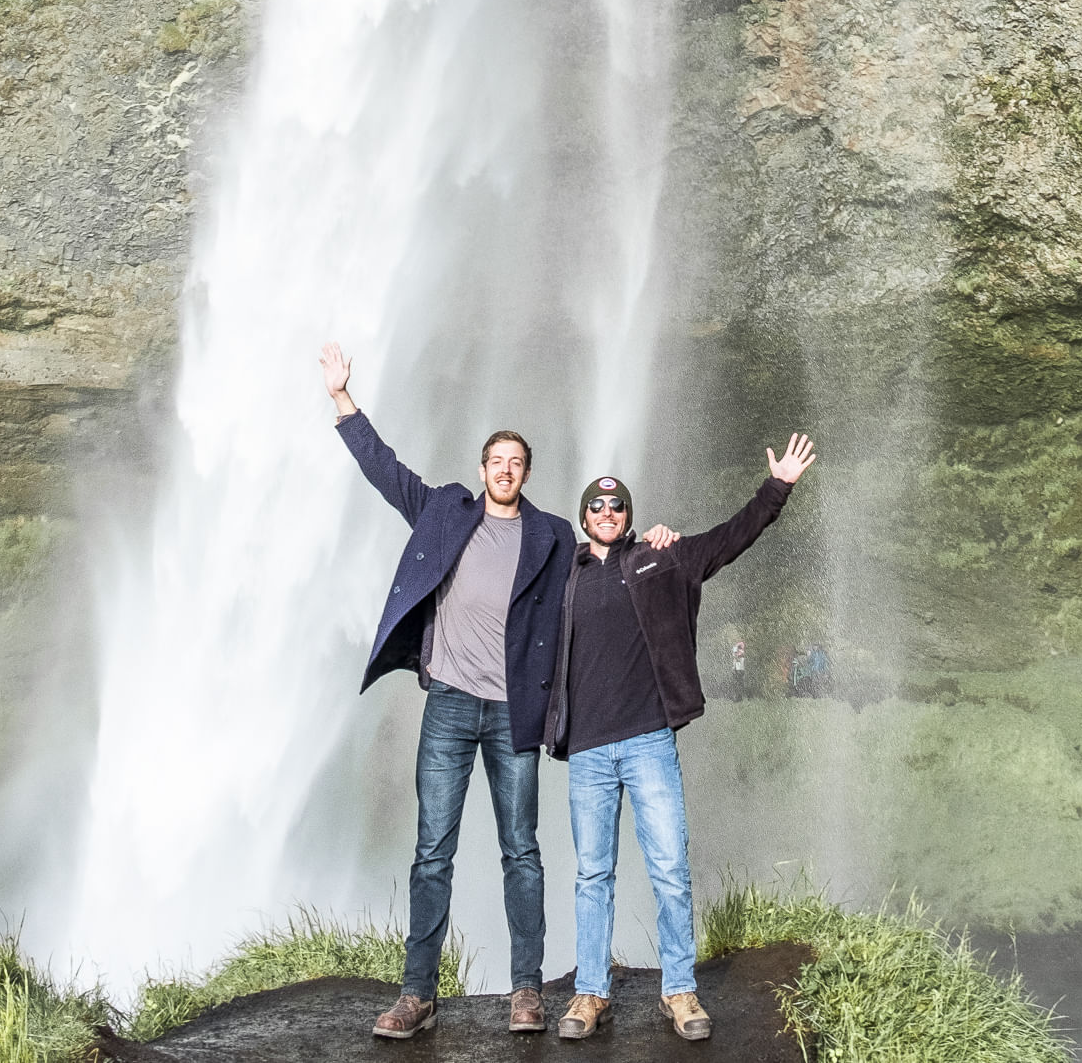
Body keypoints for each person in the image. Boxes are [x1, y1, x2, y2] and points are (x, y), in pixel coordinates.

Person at [320, 342, 572, 1039]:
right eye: (496, 460)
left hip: (514, 712)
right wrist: (342, 399)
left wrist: (655, 542)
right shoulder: (444, 512)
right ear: (482, 469)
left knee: (521, 851)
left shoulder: (553, 536)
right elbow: (386, 471)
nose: (505, 470)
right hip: (451, 705)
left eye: (516, 462)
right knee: (432, 851)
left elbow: (601, 574)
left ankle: (527, 991)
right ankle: (417, 995)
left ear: (527, 473)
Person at [544, 433, 816, 1043]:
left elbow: (728, 539)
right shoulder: (564, 575)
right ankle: (591, 991)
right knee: (592, 874)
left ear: (629, 516)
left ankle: (679, 988)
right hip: (587, 749)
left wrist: (777, 488)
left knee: (669, 867)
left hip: (648, 742)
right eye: (596, 506)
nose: (607, 513)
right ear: (583, 518)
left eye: (616, 506)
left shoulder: (661, 559)